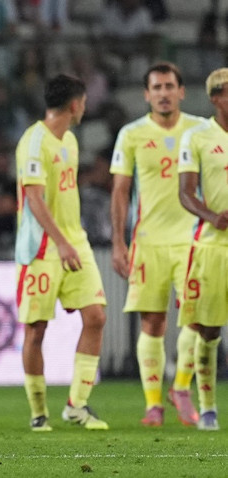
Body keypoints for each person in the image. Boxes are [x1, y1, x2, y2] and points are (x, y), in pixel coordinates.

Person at [109, 62, 206, 427]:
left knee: (196, 320)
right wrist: (118, 242)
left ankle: (180, 387)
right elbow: (119, 192)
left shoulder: (200, 130)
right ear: (146, 94)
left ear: (182, 91)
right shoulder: (131, 134)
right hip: (148, 241)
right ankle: (153, 404)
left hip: (192, 240)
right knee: (152, 323)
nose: (163, 93)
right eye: (157, 87)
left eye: (169, 86)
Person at [15, 74, 109, 432]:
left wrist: (71, 240)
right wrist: (61, 242)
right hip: (41, 248)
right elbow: (35, 199)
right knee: (36, 329)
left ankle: (77, 405)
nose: (84, 108)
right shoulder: (34, 142)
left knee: (96, 317)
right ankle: (39, 412)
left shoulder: (69, 139)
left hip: (74, 240)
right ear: (75, 104)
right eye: (83, 102)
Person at [177, 67, 228, 432]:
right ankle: (207, 406)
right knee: (208, 330)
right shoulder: (197, 138)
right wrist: (212, 217)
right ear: (216, 98)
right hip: (214, 247)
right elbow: (185, 192)